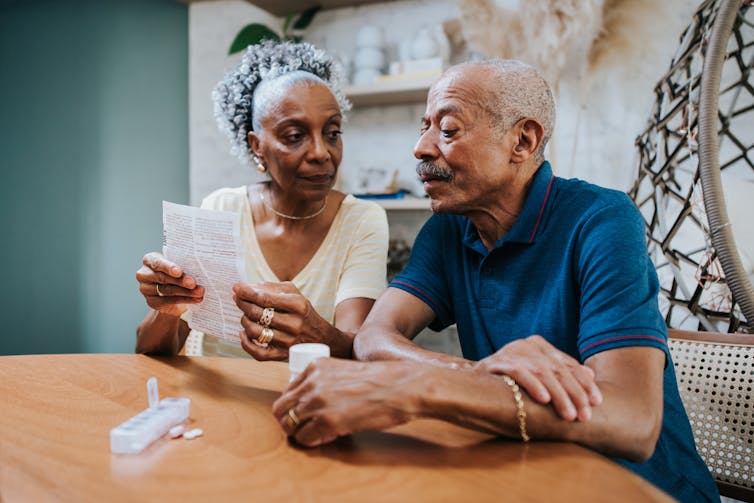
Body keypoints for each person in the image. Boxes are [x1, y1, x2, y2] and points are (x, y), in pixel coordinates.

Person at [271, 60, 719, 501]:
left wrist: (420, 386)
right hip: (526, 476)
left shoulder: (602, 219)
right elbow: (373, 337)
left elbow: (631, 422)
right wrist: (479, 375)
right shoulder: (449, 226)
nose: (421, 149)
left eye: (447, 130)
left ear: (522, 141)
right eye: (423, 127)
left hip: (638, 488)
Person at [135, 41, 388, 360]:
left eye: (332, 132)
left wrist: (311, 333)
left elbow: (357, 349)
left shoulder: (362, 220)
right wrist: (168, 309)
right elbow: (148, 349)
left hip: (310, 402)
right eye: (295, 136)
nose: (322, 152)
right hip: (213, 400)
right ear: (257, 146)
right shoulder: (222, 209)